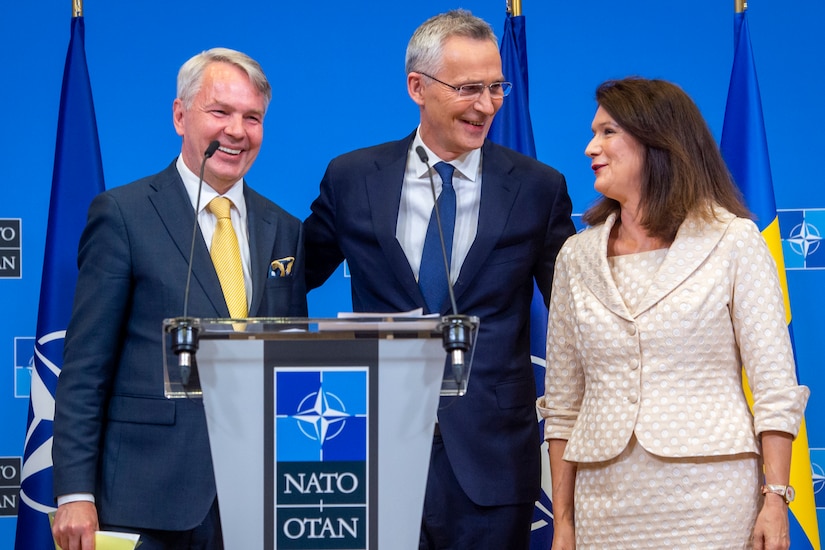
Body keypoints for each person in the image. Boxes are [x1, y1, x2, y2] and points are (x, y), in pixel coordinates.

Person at [303, 9, 575, 549]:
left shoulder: (539, 188)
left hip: (490, 461)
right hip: (367, 453)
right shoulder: (352, 178)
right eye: (469, 88)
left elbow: (576, 312)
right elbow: (290, 279)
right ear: (417, 87)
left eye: (497, 87)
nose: (487, 105)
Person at [537, 77, 810, 550]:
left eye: (607, 132)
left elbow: (774, 388)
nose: (589, 148)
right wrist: (564, 523)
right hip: (605, 500)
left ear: (657, 141)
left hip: (712, 498)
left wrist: (775, 499)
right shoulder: (575, 258)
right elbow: (563, 407)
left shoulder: (733, 242)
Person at [51, 47, 307, 550]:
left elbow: (292, 365)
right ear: (180, 115)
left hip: (256, 503)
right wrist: (74, 493)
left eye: (252, 118)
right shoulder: (122, 215)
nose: (237, 131)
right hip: (146, 498)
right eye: (221, 112)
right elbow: (85, 368)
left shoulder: (285, 229)